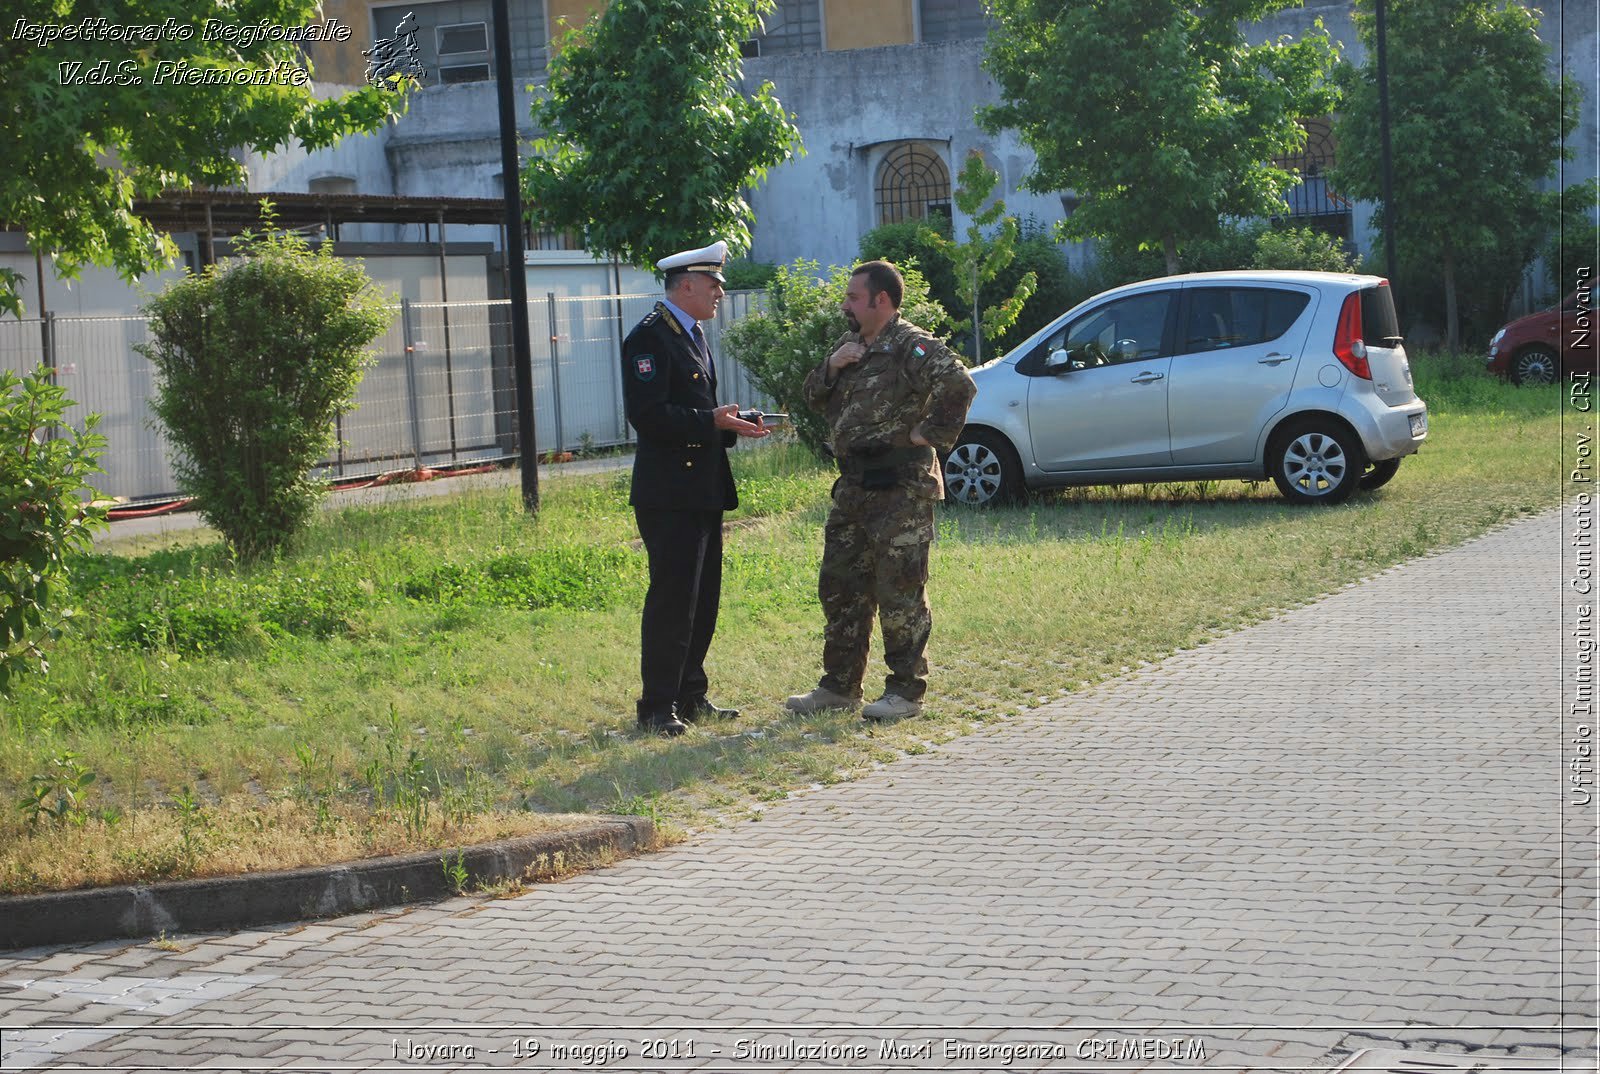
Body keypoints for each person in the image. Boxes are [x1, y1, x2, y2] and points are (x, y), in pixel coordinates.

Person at [785, 260, 976, 722]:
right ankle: (839, 687)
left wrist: (926, 434)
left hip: (900, 490)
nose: (845, 304)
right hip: (853, 488)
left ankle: (905, 692)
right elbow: (811, 397)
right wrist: (831, 367)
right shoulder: (850, 346)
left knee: (900, 591)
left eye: (853, 297)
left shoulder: (911, 345)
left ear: (881, 301)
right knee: (840, 586)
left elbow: (959, 384)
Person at [623, 240, 768, 736]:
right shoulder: (650, 338)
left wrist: (731, 424)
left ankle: (691, 694)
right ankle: (657, 706)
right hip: (669, 493)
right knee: (673, 600)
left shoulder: (693, 333)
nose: (720, 293)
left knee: (703, 599)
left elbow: (696, 415)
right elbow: (648, 417)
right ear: (685, 285)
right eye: (713, 284)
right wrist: (711, 419)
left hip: (701, 488)